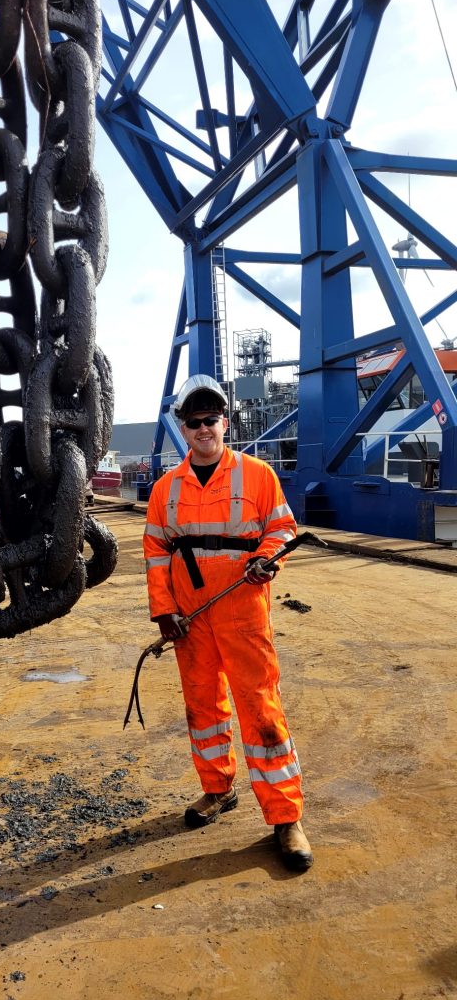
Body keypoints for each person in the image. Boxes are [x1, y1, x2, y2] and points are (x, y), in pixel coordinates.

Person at [143, 374, 313, 872]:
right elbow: (155, 552)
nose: (203, 429)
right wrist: (163, 610)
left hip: (242, 608)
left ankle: (286, 818)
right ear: (184, 428)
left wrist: (268, 559)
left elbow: (281, 527)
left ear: (225, 421)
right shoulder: (164, 490)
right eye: (193, 422)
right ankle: (218, 790)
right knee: (203, 707)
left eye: (211, 419)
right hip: (189, 618)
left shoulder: (257, 475)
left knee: (260, 710)